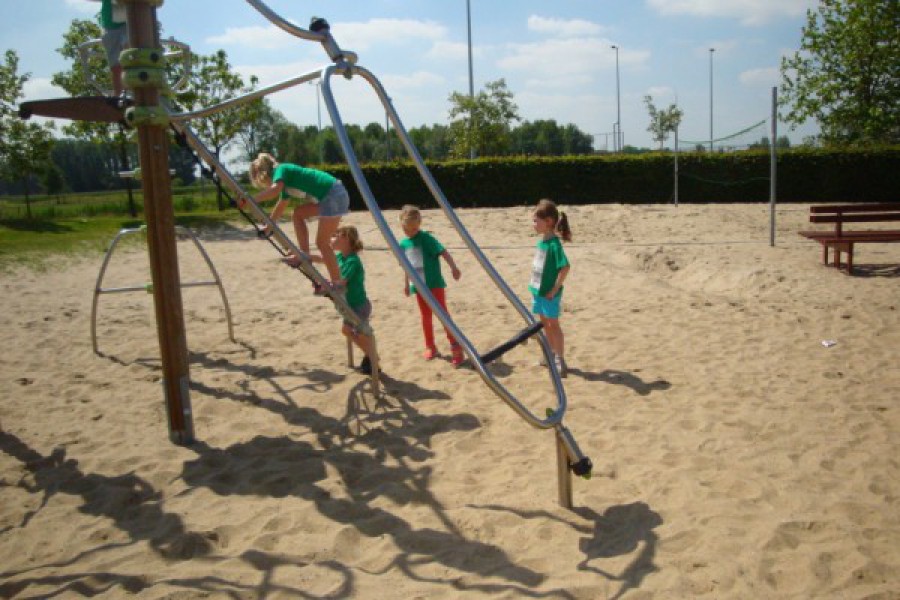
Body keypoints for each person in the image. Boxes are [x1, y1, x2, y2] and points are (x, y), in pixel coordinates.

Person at [246, 153, 350, 295]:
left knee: (322, 243)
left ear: (263, 174)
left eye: (262, 182)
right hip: (333, 195)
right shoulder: (285, 181)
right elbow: (281, 204)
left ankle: (337, 283)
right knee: (298, 214)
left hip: (332, 195)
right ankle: (304, 253)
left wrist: (251, 200)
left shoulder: (281, 170)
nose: (266, 185)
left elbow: (275, 190)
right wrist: (269, 225)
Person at [398, 205, 464, 367]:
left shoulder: (426, 238)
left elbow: (443, 252)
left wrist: (453, 267)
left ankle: (456, 346)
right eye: (407, 229)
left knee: (443, 315)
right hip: (419, 287)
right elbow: (407, 266)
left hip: (434, 284)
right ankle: (430, 346)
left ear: (419, 224)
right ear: (402, 226)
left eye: (414, 228)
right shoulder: (404, 244)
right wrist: (406, 284)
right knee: (425, 317)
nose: (411, 232)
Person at [529, 198, 572, 377]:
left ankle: (560, 359)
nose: (533, 224)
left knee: (554, 324)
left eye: (536, 221)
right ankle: (550, 353)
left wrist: (554, 289)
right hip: (538, 292)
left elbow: (565, 267)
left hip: (549, 295)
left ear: (548, 222)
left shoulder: (554, 245)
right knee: (544, 324)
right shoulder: (542, 242)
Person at [332, 226, 377, 375]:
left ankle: (372, 357)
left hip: (359, 305)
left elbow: (342, 282)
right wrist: (308, 257)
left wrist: (327, 285)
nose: (332, 239)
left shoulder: (352, 261)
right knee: (352, 332)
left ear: (346, 239)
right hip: (350, 305)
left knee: (357, 332)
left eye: (336, 236)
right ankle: (370, 356)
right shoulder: (340, 257)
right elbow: (325, 260)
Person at [90, 0, 128, 96]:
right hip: (110, 26)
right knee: (116, 66)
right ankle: (119, 97)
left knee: (130, 57)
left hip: (130, 21)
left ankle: (132, 94)